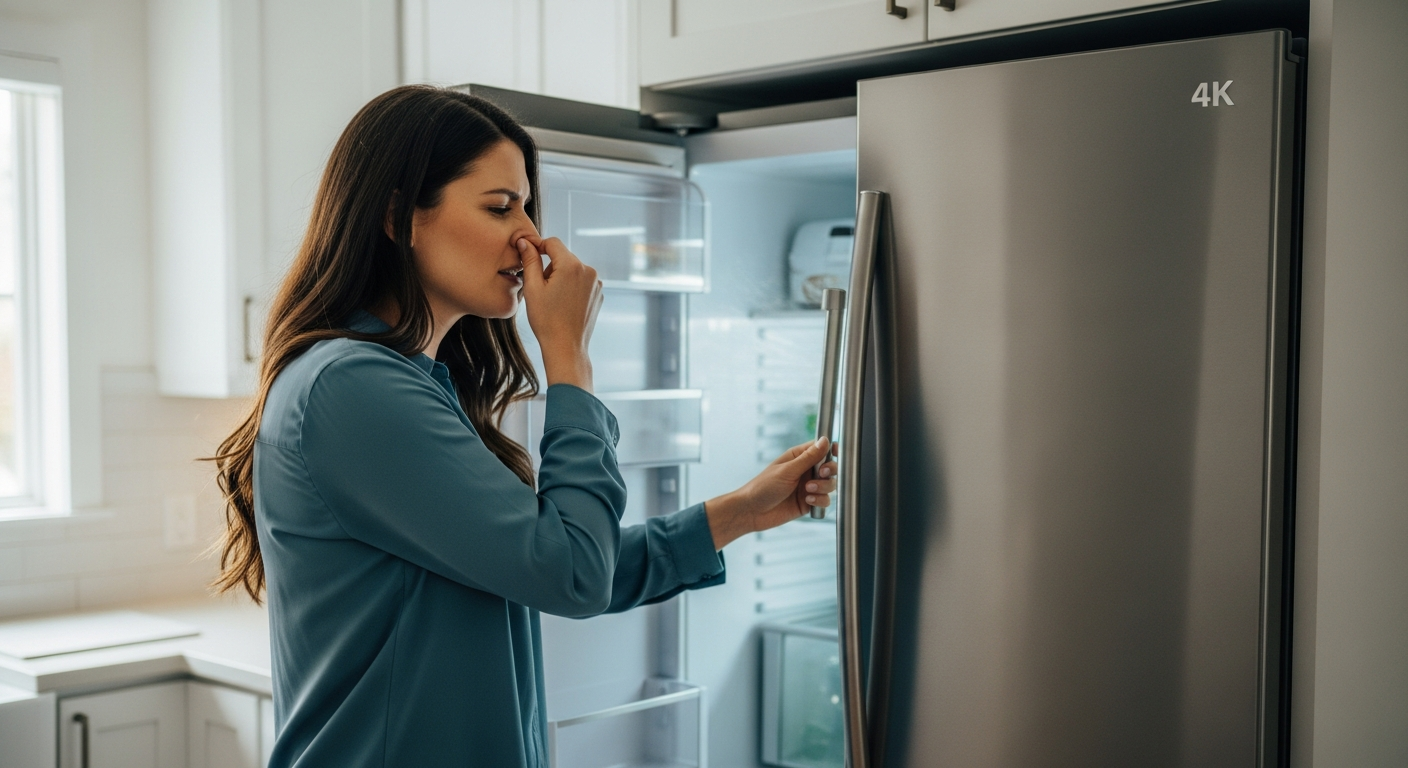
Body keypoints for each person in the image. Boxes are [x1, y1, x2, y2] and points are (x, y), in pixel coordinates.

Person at [208, 85, 838, 767]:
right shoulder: (351, 387)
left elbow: (556, 560)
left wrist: (738, 513)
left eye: (527, 205)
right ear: (398, 217)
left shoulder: (402, 383)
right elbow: (569, 573)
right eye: (500, 206)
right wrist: (567, 356)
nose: (529, 235)